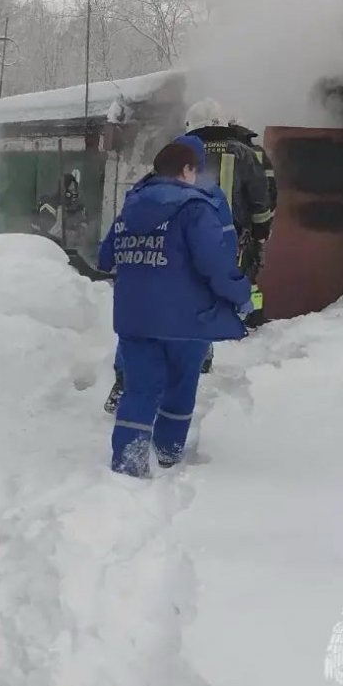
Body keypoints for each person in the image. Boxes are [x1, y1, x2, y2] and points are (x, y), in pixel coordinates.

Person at [97, 141, 252, 478]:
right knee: (181, 384)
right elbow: (215, 264)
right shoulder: (196, 209)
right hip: (186, 320)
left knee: (140, 388)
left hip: (134, 320)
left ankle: (128, 462)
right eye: (195, 170)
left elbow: (105, 257)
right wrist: (241, 295)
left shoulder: (130, 209)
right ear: (186, 170)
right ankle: (168, 451)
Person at [104, 134, 236, 413]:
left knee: (138, 341)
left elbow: (112, 244)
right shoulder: (210, 196)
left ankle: (124, 384)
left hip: (138, 290)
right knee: (183, 352)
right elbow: (222, 244)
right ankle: (169, 430)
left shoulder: (143, 190)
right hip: (186, 291)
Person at [185, 100, 274, 329]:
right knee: (233, 280)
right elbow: (259, 196)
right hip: (233, 236)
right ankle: (238, 323)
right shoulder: (244, 152)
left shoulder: (182, 152)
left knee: (192, 281)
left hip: (188, 233)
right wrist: (261, 231)